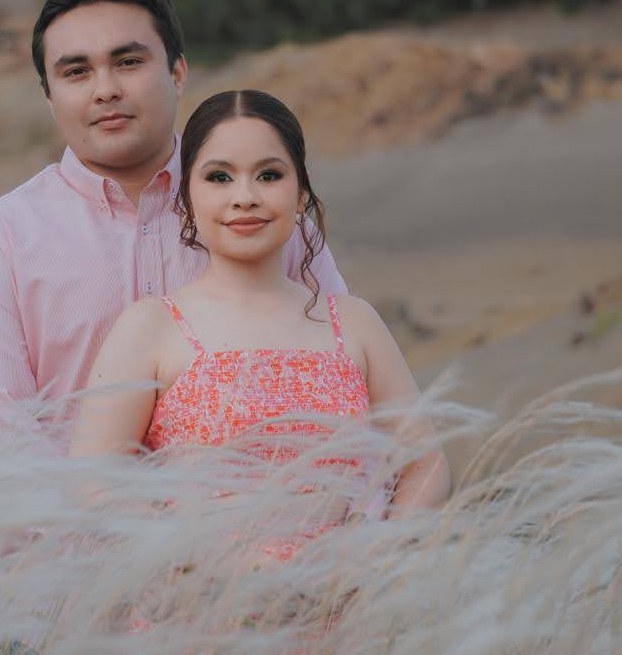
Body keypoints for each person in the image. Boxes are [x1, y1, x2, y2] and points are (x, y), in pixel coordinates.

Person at [0, 0, 347, 453]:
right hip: (70, 506)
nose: (106, 90)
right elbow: (1, 450)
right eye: (76, 72)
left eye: (129, 62)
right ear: (49, 97)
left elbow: (345, 386)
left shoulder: (262, 217)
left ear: (177, 72)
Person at [68, 89, 450, 530]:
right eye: (219, 177)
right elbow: (92, 483)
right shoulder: (152, 325)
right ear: (186, 195)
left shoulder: (354, 322)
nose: (245, 197)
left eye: (269, 175)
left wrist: (383, 547)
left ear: (301, 192)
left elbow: (426, 464)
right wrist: (187, 554)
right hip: (200, 572)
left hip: (349, 572)